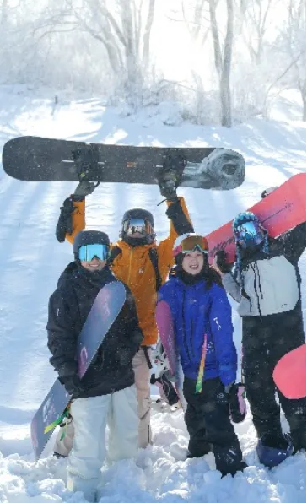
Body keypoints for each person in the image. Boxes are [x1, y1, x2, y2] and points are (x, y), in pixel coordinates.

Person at [54, 152, 194, 454]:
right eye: (132, 226)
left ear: (151, 230)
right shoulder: (111, 252)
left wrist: (171, 198)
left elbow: (183, 235)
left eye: (142, 227)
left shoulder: (159, 255)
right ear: (122, 229)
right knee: (81, 396)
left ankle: (140, 449)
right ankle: (65, 447)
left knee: (139, 397)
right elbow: (78, 238)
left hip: (140, 340)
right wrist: (79, 197)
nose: (137, 232)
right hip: (98, 337)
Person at [215, 191, 306, 466]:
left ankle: (304, 442)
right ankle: (270, 439)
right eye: (240, 234)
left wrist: (284, 202)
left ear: (261, 229)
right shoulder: (240, 265)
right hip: (255, 331)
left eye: (250, 229)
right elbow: (240, 297)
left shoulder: (286, 248)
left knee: (292, 387)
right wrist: (225, 274)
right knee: (259, 390)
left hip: (287, 329)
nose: (246, 237)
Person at [47, 230, 143, 501]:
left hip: (121, 378)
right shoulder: (65, 293)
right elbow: (58, 338)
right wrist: (67, 373)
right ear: (78, 256)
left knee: (126, 437)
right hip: (87, 384)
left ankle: (122, 486)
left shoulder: (118, 288)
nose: (95, 260)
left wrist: (129, 346)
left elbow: (132, 328)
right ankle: (82, 492)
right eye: (88, 254)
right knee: (89, 445)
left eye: (100, 253)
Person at [157, 234, 247, 476]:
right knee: (195, 419)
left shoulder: (212, 289)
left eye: (199, 255)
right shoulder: (171, 290)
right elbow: (165, 332)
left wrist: (228, 379)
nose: (194, 260)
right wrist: (166, 371)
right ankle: (198, 458)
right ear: (180, 259)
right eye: (189, 256)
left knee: (218, 424)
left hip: (212, 372)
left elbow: (224, 334)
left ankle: (232, 469)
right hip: (186, 373)